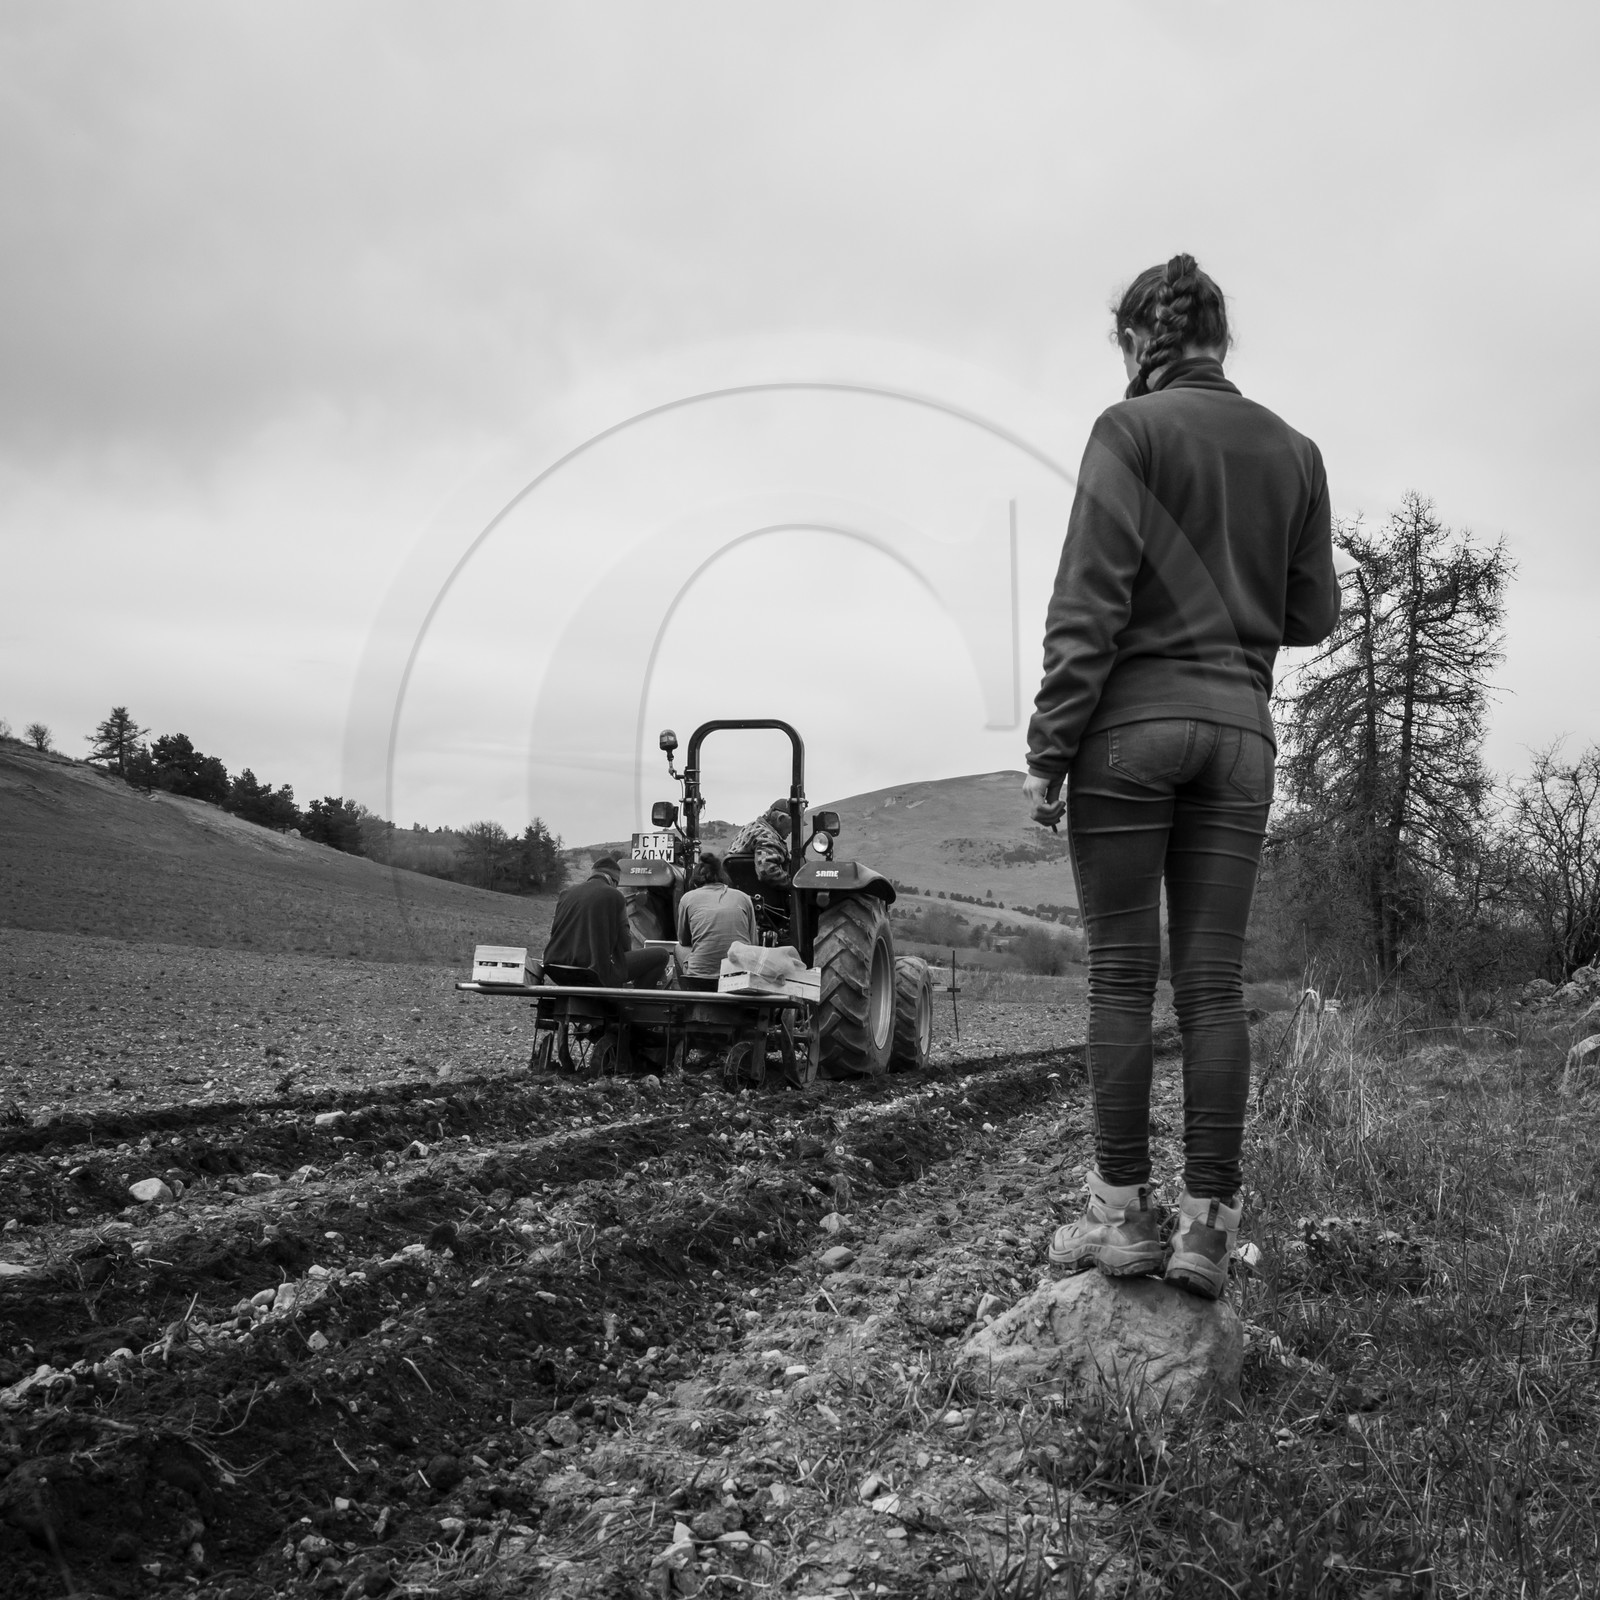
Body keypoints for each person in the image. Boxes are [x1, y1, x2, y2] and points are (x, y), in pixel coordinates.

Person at [1024, 254, 1340, 1300]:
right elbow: (1312, 615)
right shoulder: (1294, 450)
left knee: (1122, 974)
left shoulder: (1129, 431)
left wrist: (1049, 752)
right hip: (1240, 731)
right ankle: (1209, 1226)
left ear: (1136, 342)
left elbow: (1088, 604)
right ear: (1218, 339)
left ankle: (1122, 1218)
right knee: (1213, 984)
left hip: (1130, 729)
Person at [543, 857, 673, 988]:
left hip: (555, 968)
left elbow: (555, 932)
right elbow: (625, 943)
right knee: (661, 954)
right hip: (593, 971)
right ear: (612, 880)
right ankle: (635, 1003)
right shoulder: (614, 895)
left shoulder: (566, 893)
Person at [674, 853, 759, 992]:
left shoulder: (687, 898)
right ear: (723, 877)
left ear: (695, 881)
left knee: (678, 948)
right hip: (739, 977)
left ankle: (686, 997)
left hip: (700, 979)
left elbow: (684, 941)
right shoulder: (743, 897)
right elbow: (753, 944)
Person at [732, 801, 792, 887]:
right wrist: (794, 884)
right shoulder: (766, 836)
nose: (792, 830)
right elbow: (767, 871)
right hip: (761, 894)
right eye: (792, 825)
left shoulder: (751, 827)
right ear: (781, 819)